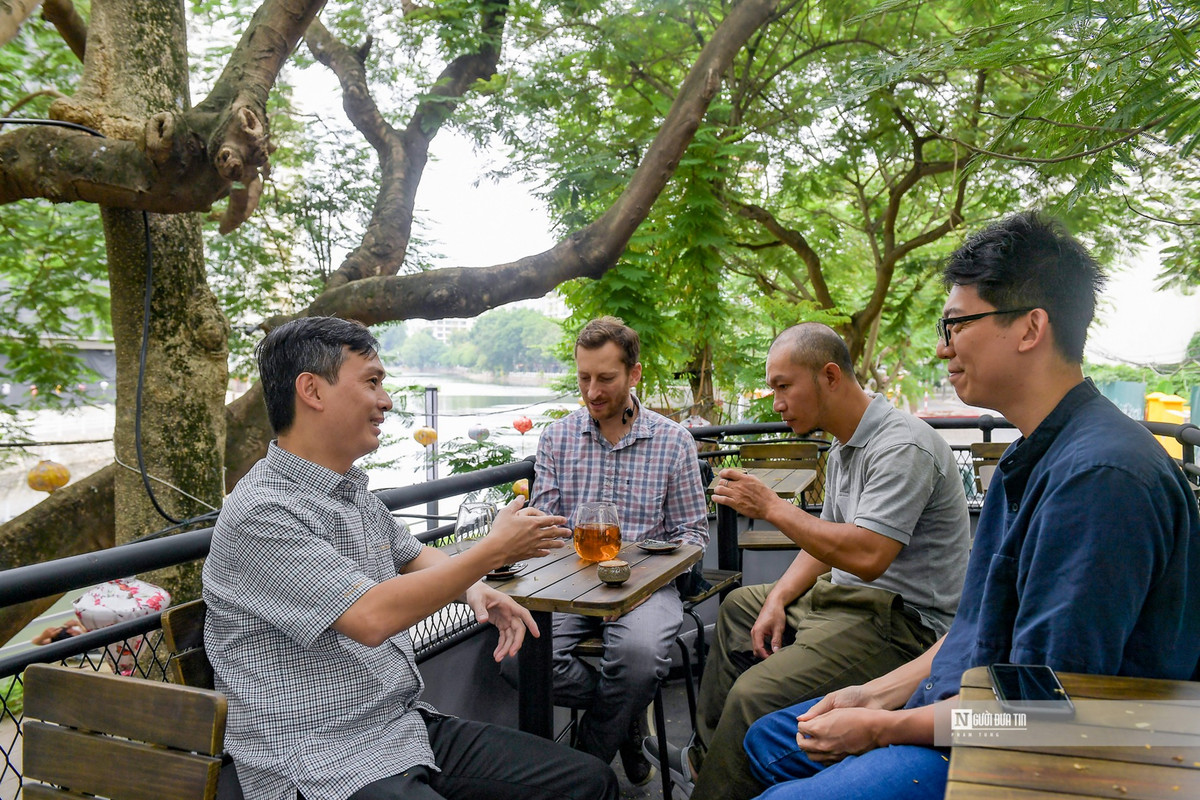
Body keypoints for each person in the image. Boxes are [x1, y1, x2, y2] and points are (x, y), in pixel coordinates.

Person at [742, 211, 1200, 800]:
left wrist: (884, 728)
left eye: (956, 324)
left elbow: (1043, 715)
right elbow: (979, 633)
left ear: (1031, 328)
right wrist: (878, 693)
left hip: (1065, 762)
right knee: (769, 739)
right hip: (977, 709)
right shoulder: (1036, 453)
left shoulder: (1100, 481)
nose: (941, 347)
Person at [203, 316, 618, 800]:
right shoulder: (262, 513)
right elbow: (371, 616)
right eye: (373, 382)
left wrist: (476, 590)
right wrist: (491, 551)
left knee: (588, 783)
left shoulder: (349, 492)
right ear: (312, 391)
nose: (386, 401)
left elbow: (415, 555)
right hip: (317, 759)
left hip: (399, 728)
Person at [649, 322, 970, 800]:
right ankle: (711, 760)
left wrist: (772, 506)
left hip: (901, 622)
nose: (776, 402)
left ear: (830, 376)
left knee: (753, 696)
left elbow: (867, 555)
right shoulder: (844, 443)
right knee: (742, 608)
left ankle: (717, 784)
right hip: (846, 600)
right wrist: (778, 596)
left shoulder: (902, 445)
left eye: (783, 386)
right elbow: (827, 545)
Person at [529, 315, 709, 784]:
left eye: (605, 378)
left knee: (640, 656)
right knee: (518, 660)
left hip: (646, 587)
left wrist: (644, 581)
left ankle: (581, 768)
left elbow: (693, 534)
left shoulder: (674, 443)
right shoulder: (557, 437)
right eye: (583, 378)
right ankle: (627, 720)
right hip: (568, 582)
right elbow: (544, 527)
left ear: (634, 375)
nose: (591, 391)